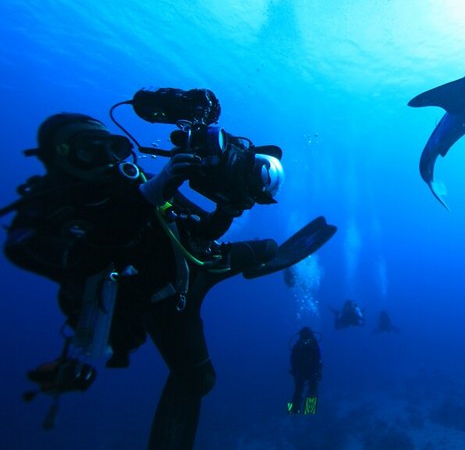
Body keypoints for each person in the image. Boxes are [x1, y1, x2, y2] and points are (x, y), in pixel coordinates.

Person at [2, 108, 336, 449]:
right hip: (163, 299)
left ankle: (251, 266)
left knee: (267, 248)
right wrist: (151, 194)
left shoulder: (132, 179)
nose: (106, 158)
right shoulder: (39, 220)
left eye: (113, 147)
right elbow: (86, 258)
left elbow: (205, 230)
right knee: (200, 380)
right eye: (89, 148)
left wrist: (227, 207)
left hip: (200, 263)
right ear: (58, 155)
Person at [287, 326, 322, 415]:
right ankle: (292, 411)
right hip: (300, 371)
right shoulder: (297, 347)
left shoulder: (315, 345)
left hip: (311, 371)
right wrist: (295, 372)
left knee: (312, 389)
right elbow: (293, 361)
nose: (306, 341)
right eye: (304, 338)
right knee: (298, 390)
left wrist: (317, 372)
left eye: (308, 338)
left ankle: (309, 411)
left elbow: (318, 360)